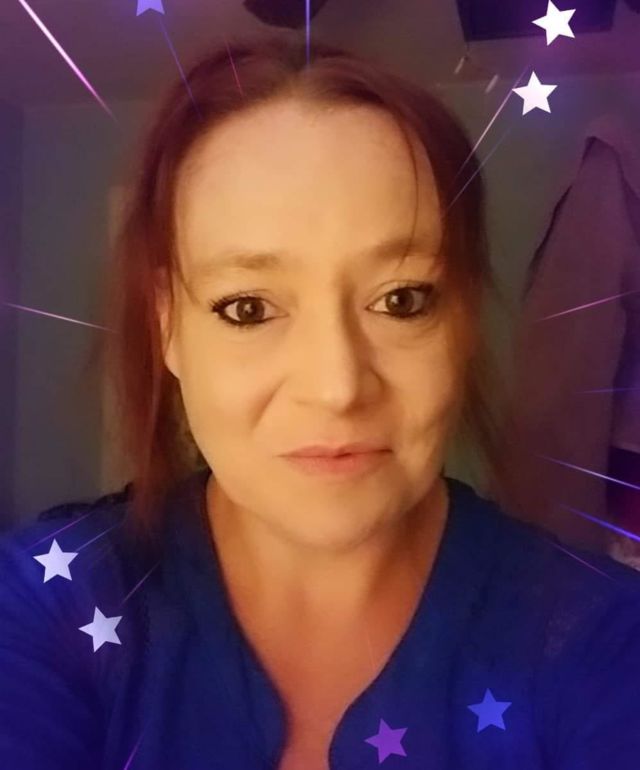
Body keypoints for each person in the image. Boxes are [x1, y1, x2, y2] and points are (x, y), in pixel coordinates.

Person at [2, 33, 640, 770]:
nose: (337, 388)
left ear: (462, 321)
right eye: (248, 308)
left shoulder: (606, 640)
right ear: (167, 327)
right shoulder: (42, 606)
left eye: (402, 300)